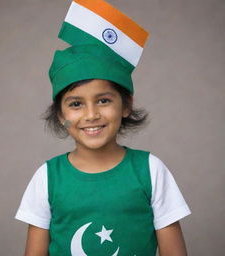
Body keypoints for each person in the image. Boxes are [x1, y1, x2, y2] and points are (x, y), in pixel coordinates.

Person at [15, 0, 191, 255]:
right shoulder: (47, 177)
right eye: (76, 103)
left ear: (126, 105)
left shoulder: (151, 171)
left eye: (104, 100)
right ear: (61, 114)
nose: (91, 114)